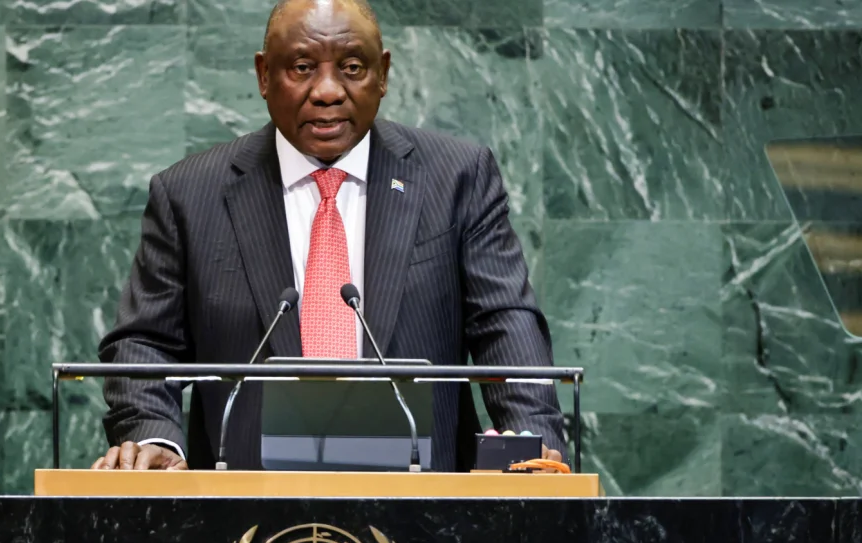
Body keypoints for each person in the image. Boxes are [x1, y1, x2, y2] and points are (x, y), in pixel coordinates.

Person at [92, 0, 565, 472]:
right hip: (243, 517)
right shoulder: (190, 194)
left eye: (353, 68)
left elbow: (505, 324)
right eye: (301, 68)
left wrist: (534, 451)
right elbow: (144, 343)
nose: (327, 91)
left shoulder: (456, 178)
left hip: (426, 511)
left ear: (383, 74)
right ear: (263, 75)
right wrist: (155, 439)